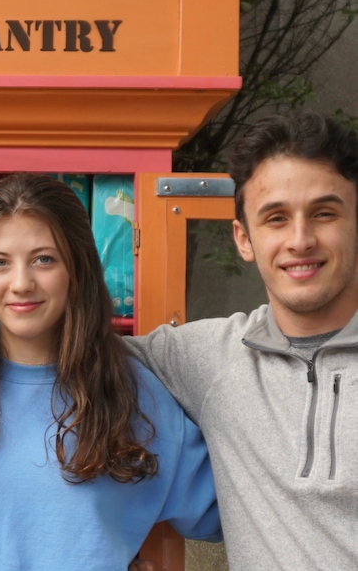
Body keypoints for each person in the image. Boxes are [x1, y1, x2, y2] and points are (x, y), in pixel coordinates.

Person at [0, 173, 221, 570]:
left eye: (43, 259)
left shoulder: (136, 396)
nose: (20, 283)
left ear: (76, 269)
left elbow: (233, 515)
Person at [123, 110, 358, 569]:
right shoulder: (211, 358)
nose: (300, 239)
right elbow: (59, 356)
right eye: (275, 218)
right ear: (243, 239)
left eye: (324, 213)